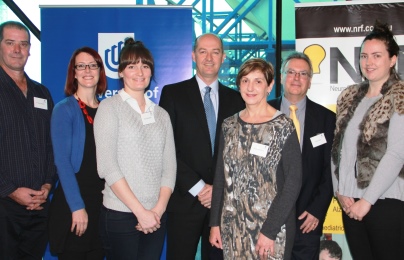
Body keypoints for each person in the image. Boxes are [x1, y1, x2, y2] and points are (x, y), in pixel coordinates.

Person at [159, 33, 245, 260]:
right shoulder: (172, 94)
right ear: (193, 56)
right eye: (203, 51)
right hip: (184, 200)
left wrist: (217, 189)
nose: (209, 57)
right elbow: (166, 149)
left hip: (223, 204)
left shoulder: (237, 100)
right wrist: (199, 188)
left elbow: (239, 154)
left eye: (215, 52)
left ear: (223, 57)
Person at [209, 58, 302, 259]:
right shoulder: (228, 125)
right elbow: (220, 178)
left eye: (258, 81)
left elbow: (293, 182)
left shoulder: (283, 126)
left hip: (271, 228)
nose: (250, 87)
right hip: (232, 226)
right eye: (245, 80)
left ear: (269, 86)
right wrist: (215, 223)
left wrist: (270, 230)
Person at [94, 38, 176, 260]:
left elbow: (169, 169)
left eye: (145, 65)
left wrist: (156, 212)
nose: (140, 72)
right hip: (121, 214)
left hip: (157, 216)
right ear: (120, 72)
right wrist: (141, 212)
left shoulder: (161, 114)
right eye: (132, 66)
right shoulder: (109, 108)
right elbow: (107, 167)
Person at [331, 20, 404, 259]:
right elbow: (337, 149)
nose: (368, 62)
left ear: (392, 59)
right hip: (349, 202)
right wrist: (339, 191)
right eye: (364, 56)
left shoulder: (400, 95)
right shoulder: (349, 96)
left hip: (385, 201)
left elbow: (397, 153)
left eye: (376, 56)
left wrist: (367, 201)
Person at [268, 52, 335, 259]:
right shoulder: (262, 112)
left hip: (308, 219)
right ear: (280, 77)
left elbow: (331, 169)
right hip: (267, 218)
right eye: (291, 72)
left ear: (310, 81)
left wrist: (317, 209)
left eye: (303, 74)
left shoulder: (327, 119)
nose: (296, 78)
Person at [0, 21, 56, 259]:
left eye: (23, 44)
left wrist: (46, 185)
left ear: (30, 49)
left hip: (39, 205)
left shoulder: (41, 93)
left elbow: (52, 145)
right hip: (3, 206)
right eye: (10, 43)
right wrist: (10, 190)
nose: (17, 50)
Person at [48, 47, 107, 259]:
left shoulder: (107, 110)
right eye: (81, 66)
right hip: (75, 204)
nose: (87, 70)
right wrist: (77, 207)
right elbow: (62, 163)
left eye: (93, 65)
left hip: (102, 204)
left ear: (100, 70)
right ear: (74, 73)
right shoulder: (64, 109)